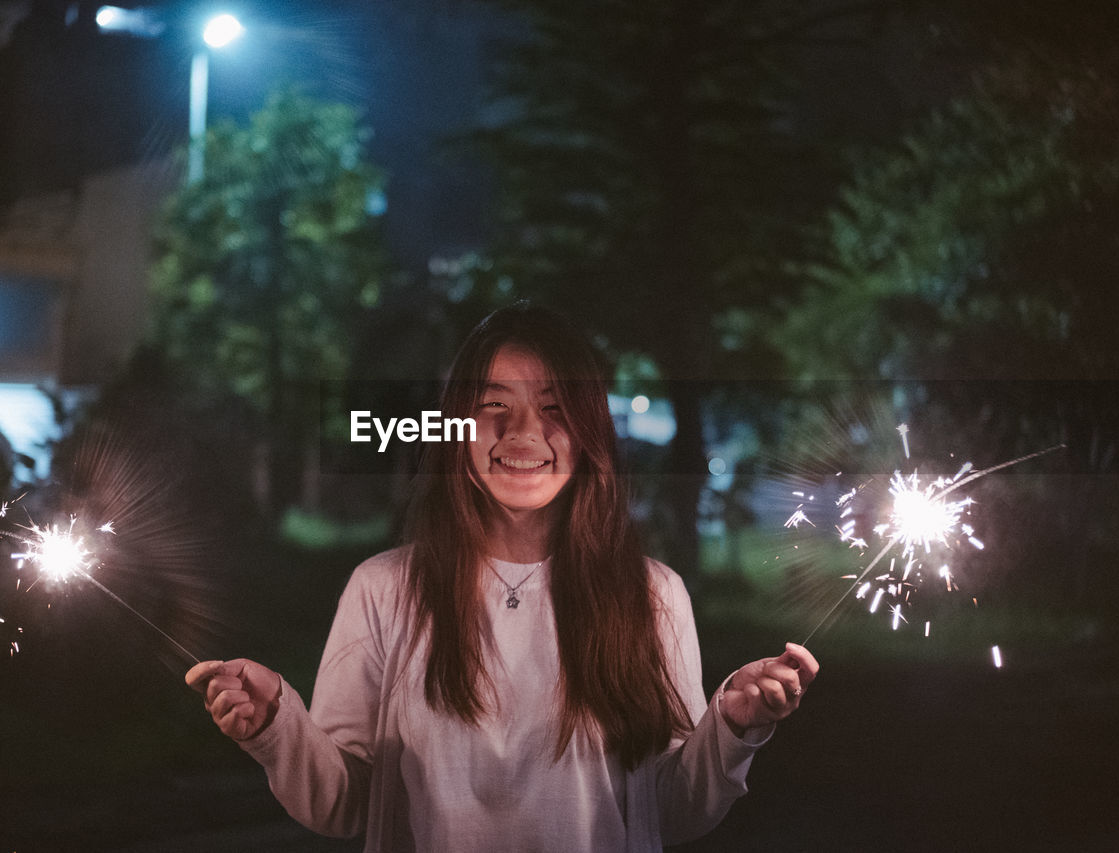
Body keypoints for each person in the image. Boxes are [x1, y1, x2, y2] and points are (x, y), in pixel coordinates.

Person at [187, 303, 818, 851]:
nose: (523, 433)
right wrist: (278, 726)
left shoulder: (651, 595)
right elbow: (346, 804)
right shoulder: (382, 590)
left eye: (554, 407)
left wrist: (733, 725)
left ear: (589, 430)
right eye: (494, 406)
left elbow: (672, 810)